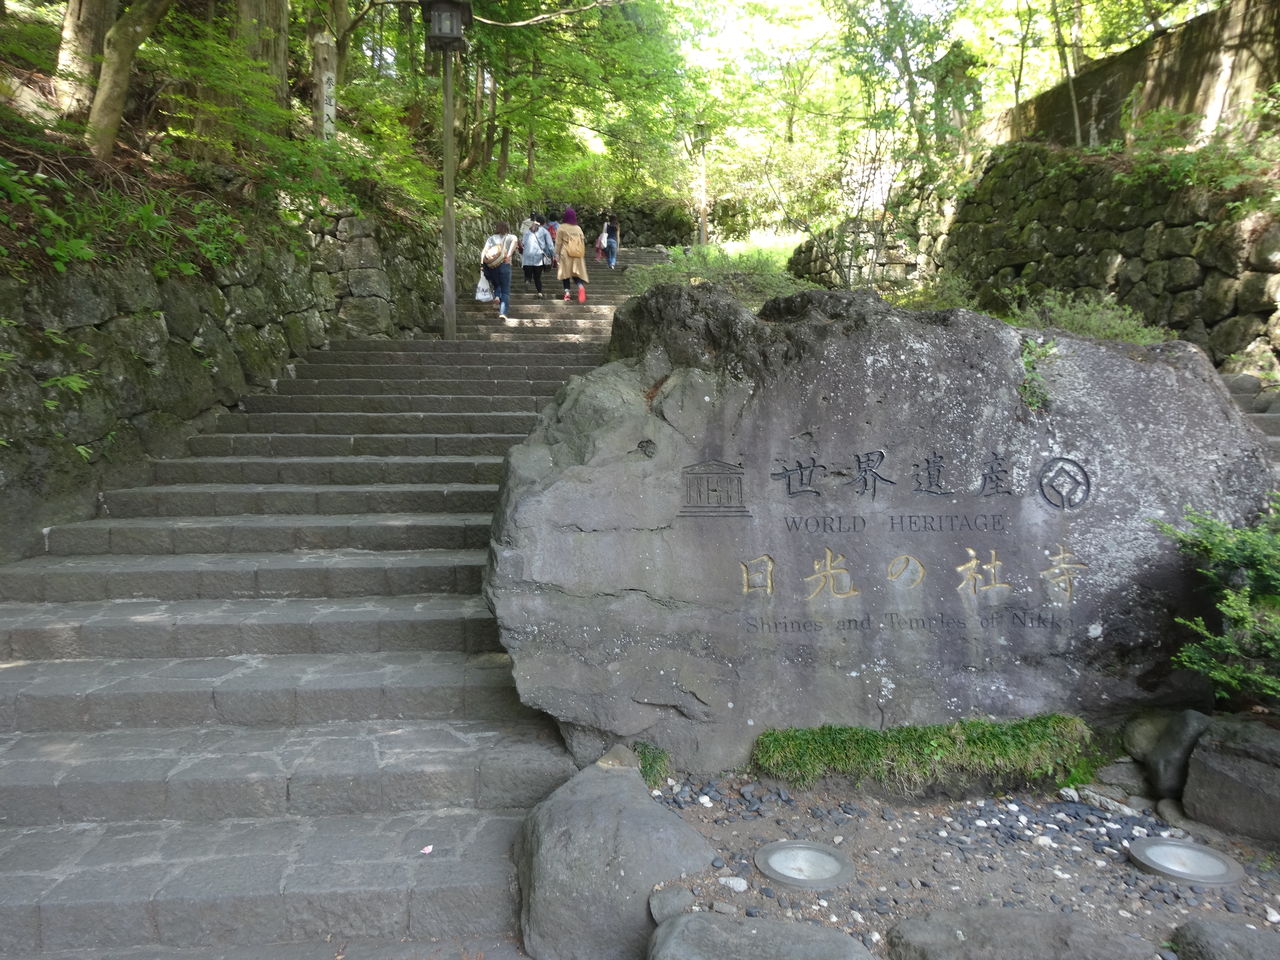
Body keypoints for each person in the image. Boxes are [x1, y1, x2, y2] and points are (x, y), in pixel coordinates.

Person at [480, 220, 519, 320]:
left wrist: (482, 263)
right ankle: (503, 313)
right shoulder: (511, 237)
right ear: (507, 227)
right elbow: (515, 241)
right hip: (505, 264)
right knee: (505, 290)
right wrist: (509, 255)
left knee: (497, 284)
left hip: (493, 266)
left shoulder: (491, 238)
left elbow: (484, 251)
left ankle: (497, 296)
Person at [554, 207, 589, 302]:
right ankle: (581, 286)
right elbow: (582, 242)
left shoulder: (562, 227)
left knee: (565, 274)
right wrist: (582, 253)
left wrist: (556, 254)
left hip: (565, 253)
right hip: (577, 254)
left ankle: (567, 294)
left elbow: (558, 243)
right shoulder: (578, 228)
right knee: (576, 274)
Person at [521, 214, 555, 299]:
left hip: (527, 256)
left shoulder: (528, 231)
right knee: (537, 277)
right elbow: (550, 245)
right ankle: (539, 292)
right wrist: (553, 255)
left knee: (528, 274)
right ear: (543, 223)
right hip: (538, 256)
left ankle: (527, 280)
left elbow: (523, 243)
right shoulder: (544, 231)